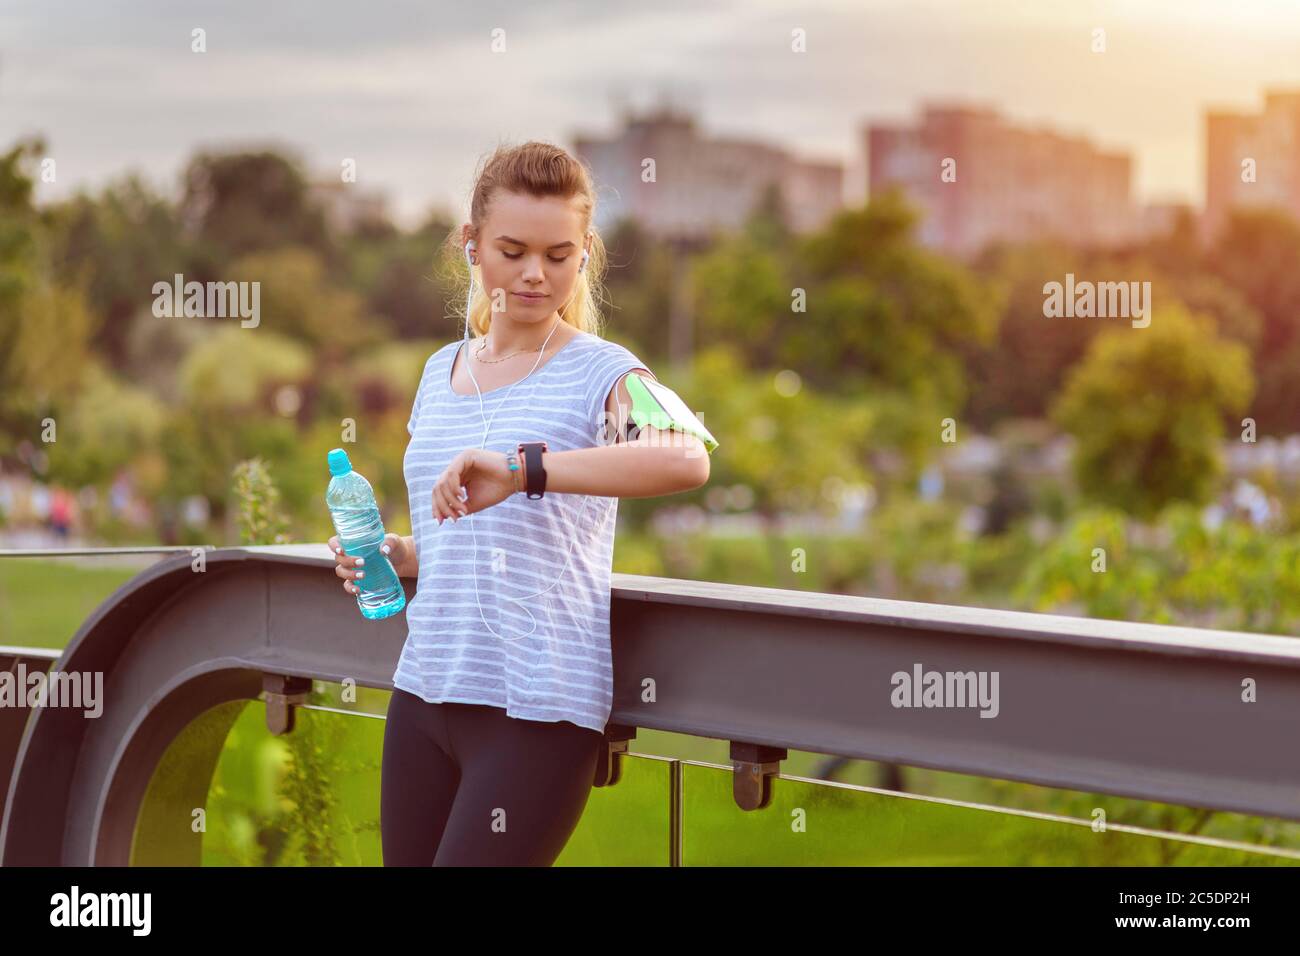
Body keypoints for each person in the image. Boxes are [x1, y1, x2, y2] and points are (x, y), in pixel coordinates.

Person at [329, 141, 713, 866]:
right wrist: (402, 554)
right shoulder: (438, 370)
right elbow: (456, 529)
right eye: (512, 250)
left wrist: (523, 469)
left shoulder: (604, 371)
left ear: (586, 254)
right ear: (470, 246)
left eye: (559, 254)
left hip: (537, 711)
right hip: (424, 692)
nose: (536, 274)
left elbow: (684, 456)